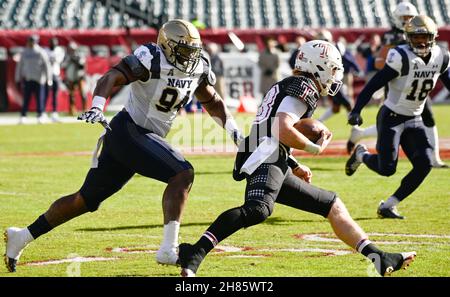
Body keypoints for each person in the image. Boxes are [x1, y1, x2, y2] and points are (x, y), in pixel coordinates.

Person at [4, 19, 243, 273]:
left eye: (192, 50)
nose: (189, 56)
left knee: (84, 200)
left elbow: (212, 101)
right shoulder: (151, 57)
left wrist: (234, 131)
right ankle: (167, 249)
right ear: (167, 45)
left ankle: (22, 236)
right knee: (182, 173)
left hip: (137, 138)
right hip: (129, 131)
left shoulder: (197, 67)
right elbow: (112, 76)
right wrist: (97, 105)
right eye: (183, 50)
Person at [178, 40, 416, 277]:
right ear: (318, 65)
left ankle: (379, 258)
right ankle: (195, 253)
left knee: (332, 205)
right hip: (266, 155)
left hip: (272, 155)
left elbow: (273, 128)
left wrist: (293, 163)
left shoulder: (294, 84)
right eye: (332, 69)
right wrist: (314, 149)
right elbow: (281, 128)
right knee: (258, 209)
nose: (333, 76)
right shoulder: (305, 86)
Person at [345, 15, 450, 219]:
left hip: (415, 118)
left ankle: (389, 205)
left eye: (425, 37)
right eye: (416, 37)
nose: (421, 42)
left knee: (425, 164)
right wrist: (356, 110)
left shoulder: (441, 56)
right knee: (387, 169)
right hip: (392, 116)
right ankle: (361, 155)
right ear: (408, 37)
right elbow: (374, 83)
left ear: (433, 37)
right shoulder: (401, 56)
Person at [346, 3, 448, 168]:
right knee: (396, 118)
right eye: (404, 18)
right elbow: (381, 65)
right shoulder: (392, 38)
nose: (408, 20)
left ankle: (434, 158)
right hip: (399, 83)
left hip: (419, 85)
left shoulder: (439, 53)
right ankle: (362, 137)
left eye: (410, 17)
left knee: (426, 118)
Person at [15, 34, 53, 124]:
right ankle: (23, 115)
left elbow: (47, 66)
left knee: (40, 98)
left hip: (39, 79)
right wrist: (17, 78)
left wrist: (49, 79)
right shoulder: (24, 52)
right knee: (26, 99)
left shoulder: (40, 52)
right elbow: (19, 66)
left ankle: (40, 115)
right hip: (28, 79)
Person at [61, 41, 87, 115]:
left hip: (79, 77)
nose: (70, 50)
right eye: (69, 49)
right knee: (71, 94)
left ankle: (85, 109)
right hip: (70, 78)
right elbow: (63, 66)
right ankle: (72, 110)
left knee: (83, 93)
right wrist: (69, 60)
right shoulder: (66, 56)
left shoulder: (79, 55)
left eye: (72, 49)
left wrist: (75, 60)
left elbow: (81, 66)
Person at [44, 37, 65, 122]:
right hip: (47, 74)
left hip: (56, 74)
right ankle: (43, 112)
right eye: (52, 42)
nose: (53, 44)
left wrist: (51, 59)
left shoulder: (59, 50)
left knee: (55, 95)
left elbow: (58, 60)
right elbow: (45, 60)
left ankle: (54, 113)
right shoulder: (45, 50)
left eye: (55, 42)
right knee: (45, 94)